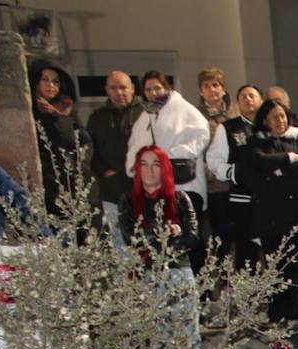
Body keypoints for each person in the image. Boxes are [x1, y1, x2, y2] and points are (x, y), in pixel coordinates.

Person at [118, 145, 212, 349]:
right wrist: (165, 235)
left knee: (189, 344)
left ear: (165, 168)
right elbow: (132, 240)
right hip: (150, 280)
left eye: (155, 163)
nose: (149, 170)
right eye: (143, 164)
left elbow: (192, 237)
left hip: (180, 275)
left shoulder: (181, 198)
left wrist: (163, 239)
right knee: (161, 348)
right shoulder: (127, 202)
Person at [237, 98, 298, 322]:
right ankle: (279, 317)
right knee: (278, 269)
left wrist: (282, 171)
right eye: (274, 117)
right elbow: (258, 165)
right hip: (272, 219)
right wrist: (288, 158)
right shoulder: (255, 142)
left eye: (282, 116)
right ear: (265, 120)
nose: (280, 121)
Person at [126, 71, 211, 214]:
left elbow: (201, 136)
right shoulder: (146, 115)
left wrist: (169, 154)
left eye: (157, 88)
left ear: (166, 87)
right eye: (148, 89)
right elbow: (135, 145)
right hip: (155, 186)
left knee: (187, 227)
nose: (153, 93)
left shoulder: (183, 108)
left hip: (185, 183)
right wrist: (134, 167)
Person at [27, 58, 88, 216]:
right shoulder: (32, 112)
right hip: (48, 183)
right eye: (45, 80)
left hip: (73, 180)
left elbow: (84, 141)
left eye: (55, 81)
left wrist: (79, 166)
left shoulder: (67, 109)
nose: (51, 85)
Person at [87, 71, 143, 232]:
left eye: (123, 87)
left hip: (142, 187)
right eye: (113, 88)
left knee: (143, 235)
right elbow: (90, 150)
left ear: (132, 88)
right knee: (117, 235)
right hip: (111, 189)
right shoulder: (97, 117)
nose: (119, 92)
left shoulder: (145, 113)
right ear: (107, 90)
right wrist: (104, 171)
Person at [220, 84, 264, 266]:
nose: (248, 99)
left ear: (261, 100)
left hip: (270, 198)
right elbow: (216, 160)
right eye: (243, 96)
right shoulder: (228, 128)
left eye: (252, 95)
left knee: (274, 248)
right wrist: (235, 173)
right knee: (246, 251)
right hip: (242, 197)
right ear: (237, 103)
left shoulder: (272, 125)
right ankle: (247, 294)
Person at [196, 66, 235, 247]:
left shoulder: (235, 112)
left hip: (237, 181)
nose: (212, 90)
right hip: (212, 184)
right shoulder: (195, 116)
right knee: (219, 235)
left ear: (223, 88)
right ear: (201, 91)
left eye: (216, 85)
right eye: (207, 86)